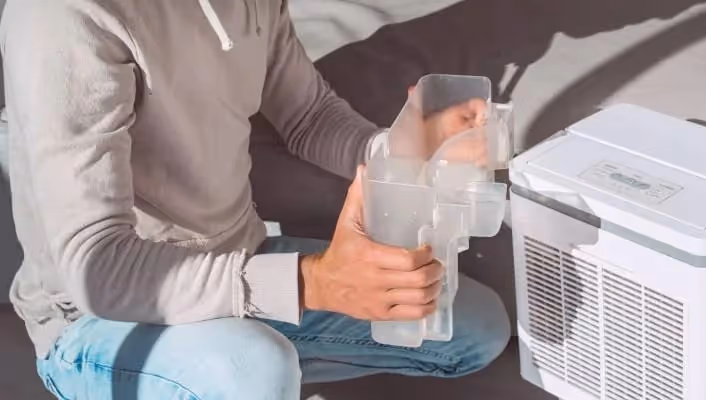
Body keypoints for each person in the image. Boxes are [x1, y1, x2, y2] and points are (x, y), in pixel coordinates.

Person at [1, 0, 510, 398]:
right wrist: (312, 281)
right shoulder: (63, 18)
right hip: (100, 321)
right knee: (251, 367)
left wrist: (405, 146)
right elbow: (100, 268)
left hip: (236, 264)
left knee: (473, 330)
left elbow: (308, 115)